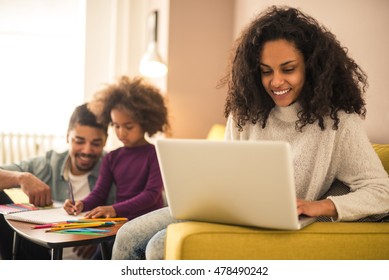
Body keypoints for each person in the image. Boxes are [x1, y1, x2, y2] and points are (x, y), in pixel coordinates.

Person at [110, 5, 389, 260]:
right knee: (126, 236)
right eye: (266, 71)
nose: (276, 81)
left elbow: (381, 192)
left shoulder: (338, 122)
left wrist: (322, 206)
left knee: (159, 246)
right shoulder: (246, 112)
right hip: (224, 212)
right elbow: (228, 172)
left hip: (272, 225)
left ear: (311, 67)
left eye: (288, 69)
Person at [63, 76, 170, 259]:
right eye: (116, 126)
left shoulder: (154, 154)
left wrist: (114, 209)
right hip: (118, 222)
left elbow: (152, 195)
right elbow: (99, 193)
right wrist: (82, 204)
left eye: (128, 126)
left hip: (145, 224)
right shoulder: (112, 158)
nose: (121, 133)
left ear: (145, 122)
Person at [0, 103, 113, 260]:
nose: (87, 150)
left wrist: (101, 234)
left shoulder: (115, 166)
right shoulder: (47, 164)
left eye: (95, 143)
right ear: (67, 136)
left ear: (105, 140)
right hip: (42, 255)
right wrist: (20, 177)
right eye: (79, 141)